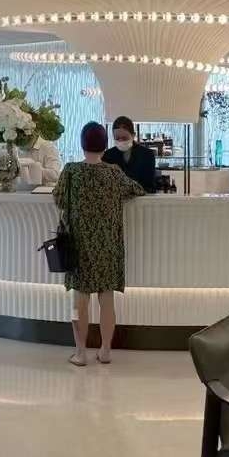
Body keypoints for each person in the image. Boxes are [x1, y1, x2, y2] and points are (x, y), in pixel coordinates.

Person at [53, 121, 145, 366]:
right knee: (107, 300)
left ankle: (80, 353)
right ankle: (105, 351)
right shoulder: (114, 172)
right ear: (105, 145)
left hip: (79, 246)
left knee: (79, 302)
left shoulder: (71, 171)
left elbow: (59, 199)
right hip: (108, 245)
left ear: (82, 145)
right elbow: (137, 189)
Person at [102, 115, 157, 192]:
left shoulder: (147, 155)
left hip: (141, 197)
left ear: (133, 135)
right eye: (117, 138)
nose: (121, 141)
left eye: (124, 138)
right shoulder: (108, 155)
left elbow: (150, 186)